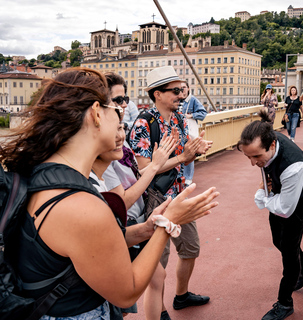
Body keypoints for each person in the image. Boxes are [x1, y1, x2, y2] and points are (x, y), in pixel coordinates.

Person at [0, 68, 219, 319]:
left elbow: (87, 245)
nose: (121, 115)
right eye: (115, 109)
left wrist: (146, 228)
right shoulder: (81, 206)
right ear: (95, 113)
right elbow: (127, 292)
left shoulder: (45, 176)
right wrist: (168, 223)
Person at [130, 66, 213, 313]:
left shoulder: (178, 119)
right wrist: (182, 158)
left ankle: (182, 295)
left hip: (178, 194)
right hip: (156, 201)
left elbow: (184, 158)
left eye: (182, 90)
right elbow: (145, 170)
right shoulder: (144, 123)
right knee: (158, 262)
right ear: (157, 94)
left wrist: (194, 150)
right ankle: (161, 311)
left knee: (191, 248)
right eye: (175, 91)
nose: (181, 95)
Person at [101, 72, 180, 320]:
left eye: (125, 98)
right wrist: (157, 165)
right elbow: (121, 199)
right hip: (122, 223)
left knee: (156, 277)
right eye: (118, 99)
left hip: (134, 220)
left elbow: (135, 177)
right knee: (122, 297)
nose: (124, 104)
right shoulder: (104, 151)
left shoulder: (118, 146)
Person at [237, 110, 303, 320]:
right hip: (278, 193)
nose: (253, 163)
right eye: (248, 156)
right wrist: (268, 192)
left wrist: (262, 196)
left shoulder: (294, 167)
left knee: (289, 251)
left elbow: (285, 209)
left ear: (272, 145)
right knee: (278, 241)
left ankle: (285, 303)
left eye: (256, 156)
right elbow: (276, 201)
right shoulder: (266, 141)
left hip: (298, 201)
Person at [179, 81, 207, 185]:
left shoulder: (192, 100)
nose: (182, 90)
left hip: (189, 132)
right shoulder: (176, 100)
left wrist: (191, 116)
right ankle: (181, 176)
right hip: (179, 132)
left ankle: (188, 178)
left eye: (184, 87)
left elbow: (203, 114)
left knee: (189, 152)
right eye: (179, 88)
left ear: (188, 88)